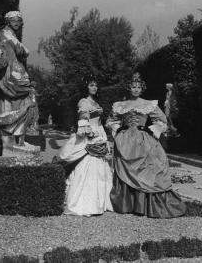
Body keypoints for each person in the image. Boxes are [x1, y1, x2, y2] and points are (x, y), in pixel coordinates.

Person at [106, 72, 186, 218]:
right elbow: (111, 121)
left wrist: (155, 129)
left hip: (143, 139)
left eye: (138, 87)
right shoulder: (120, 105)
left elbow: (161, 121)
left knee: (151, 166)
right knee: (125, 169)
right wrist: (116, 129)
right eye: (133, 87)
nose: (135, 89)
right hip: (124, 140)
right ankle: (128, 203)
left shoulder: (148, 104)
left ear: (142, 89)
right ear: (129, 88)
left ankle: (146, 204)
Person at [58, 75, 113, 216]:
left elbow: (98, 121)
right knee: (88, 167)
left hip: (99, 133)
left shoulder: (95, 102)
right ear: (86, 87)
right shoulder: (84, 102)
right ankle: (86, 204)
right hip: (90, 136)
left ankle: (100, 202)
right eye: (91, 85)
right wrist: (90, 133)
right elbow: (83, 119)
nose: (94, 87)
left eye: (95, 85)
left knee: (101, 169)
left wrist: (102, 136)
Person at [0, 11, 39, 152]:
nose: (17, 23)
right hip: (10, 76)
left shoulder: (8, 35)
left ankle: (18, 143)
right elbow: (23, 50)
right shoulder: (7, 35)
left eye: (19, 20)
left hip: (14, 75)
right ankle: (11, 145)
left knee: (20, 104)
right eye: (14, 20)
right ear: (8, 22)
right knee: (17, 104)